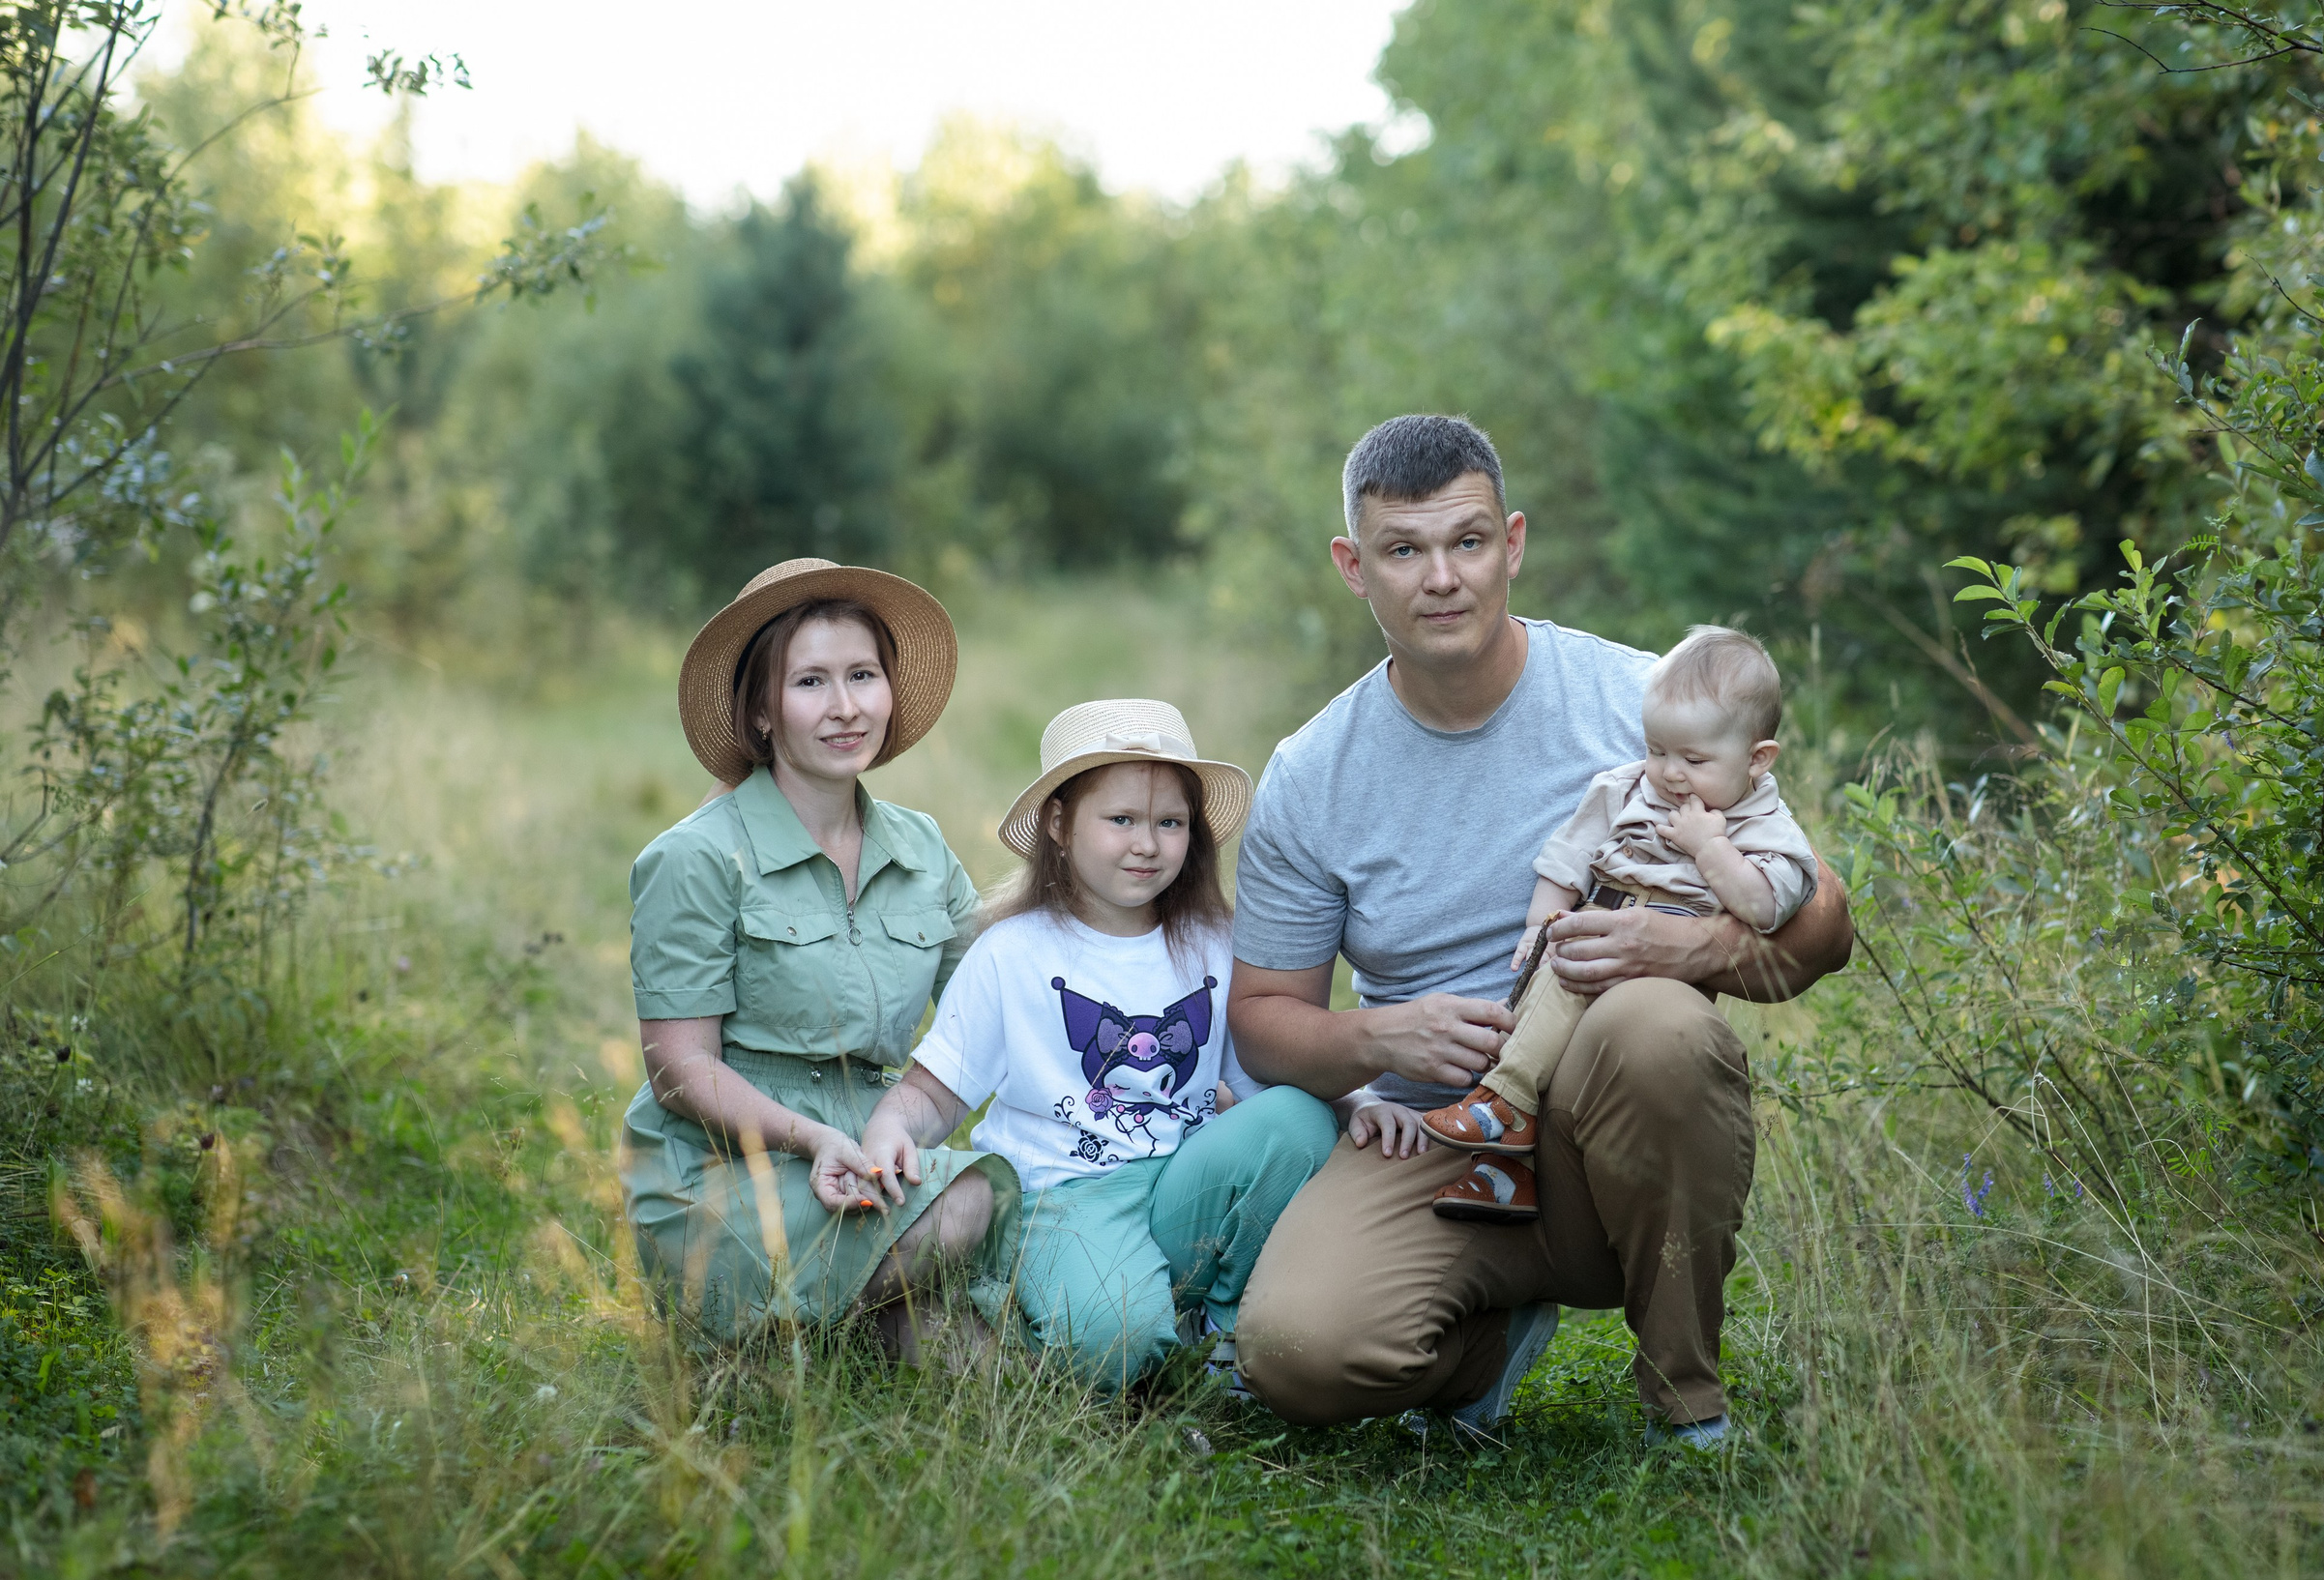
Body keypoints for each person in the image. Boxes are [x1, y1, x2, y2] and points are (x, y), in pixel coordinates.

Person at [1228, 415, 1853, 1447]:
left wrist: (1692, 949)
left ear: (1511, 544)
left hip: (1608, 1136)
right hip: (1439, 1135)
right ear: (1353, 566)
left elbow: (1823, 920)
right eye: (1403, 550)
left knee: (1656, 1026)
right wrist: (1380, 1038)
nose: (1442, 578)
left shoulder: (1645, 702)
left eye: (1468, 542)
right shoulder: (1312, 772)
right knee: (1297, 1352)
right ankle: (1485, 1339)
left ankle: (1685, 1398)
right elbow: (1261, 1019)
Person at [830, 700, 1339, 1390]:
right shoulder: (1014, 952)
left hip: (1182, 1183)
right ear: (1060, 824)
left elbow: (1262, 1082)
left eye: (1170, 822)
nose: (1147, 844)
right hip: (1065, 1197)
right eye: (1121, 819)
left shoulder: (1217, 944)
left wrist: (1361, 1103)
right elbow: (933, 1091)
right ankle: (1008, 1312)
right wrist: (891, 1126)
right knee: (1116, 1341)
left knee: (1299, 1118)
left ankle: (1218, 1328)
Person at [622, 557, 1015, 1361]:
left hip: (868, 1159)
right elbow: (678, 1069)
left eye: (863, 675)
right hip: (726, 1170)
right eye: (810, 682)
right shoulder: (696, 857)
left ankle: (836, 1334)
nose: (845, 707)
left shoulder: (920, 847)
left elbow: (996, 999)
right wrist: (811, 1139)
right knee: (972, 1198)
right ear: (761, 711)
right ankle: (767, 1325)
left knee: (992, 1352)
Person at [1418, 625, 1820, 1222]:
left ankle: (1502, 1103)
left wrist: (1710, 848)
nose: (1670, 772)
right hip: (1597, 917)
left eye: (1694, 759)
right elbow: (1567, 860)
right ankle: (1504, 1172)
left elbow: (1765, 907)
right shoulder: (1625, 787)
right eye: (1657, 750)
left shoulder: (1763, 823)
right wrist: (1537, 926)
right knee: (1527, 1022)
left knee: (1574, 1019)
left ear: (1757, 759)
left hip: (1662, 964)